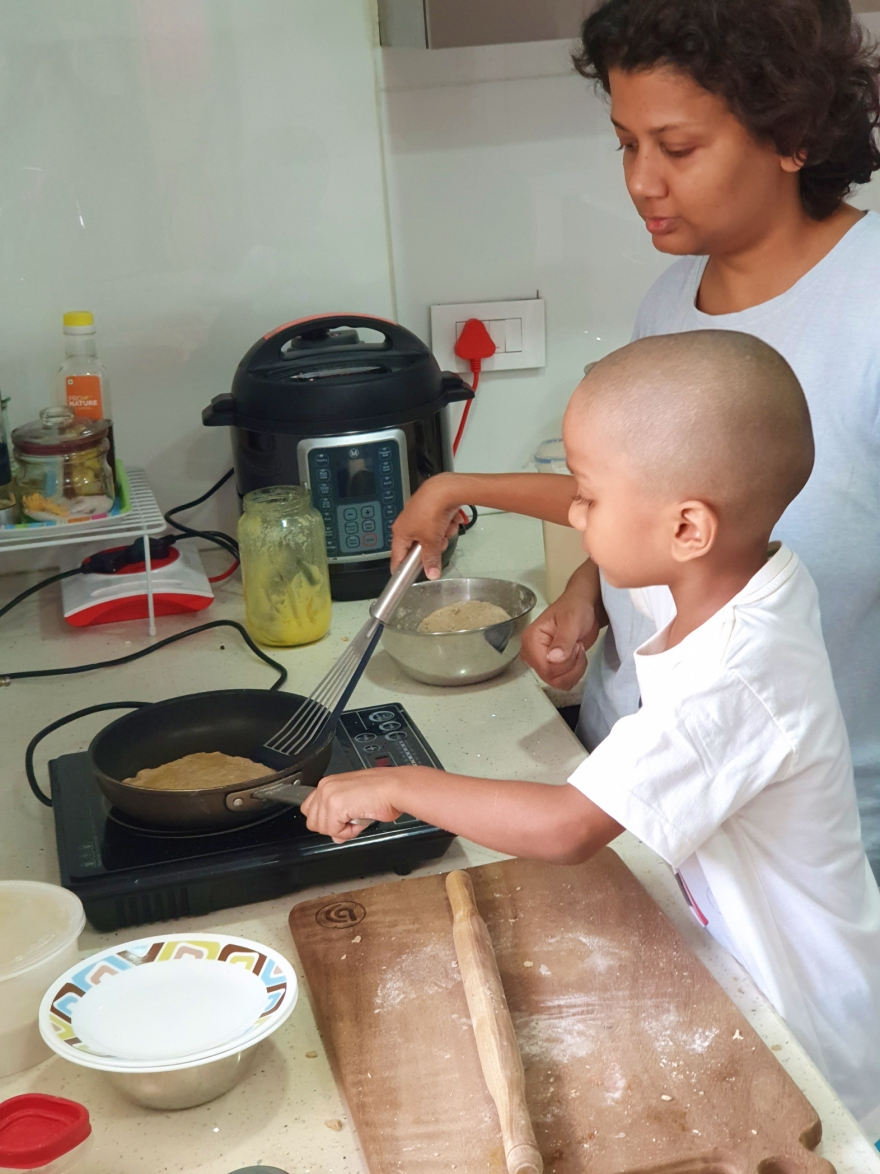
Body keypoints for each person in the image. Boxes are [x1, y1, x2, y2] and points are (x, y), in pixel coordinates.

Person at [303, 331, 880, 1133]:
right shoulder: (720, 573)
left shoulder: (735, 676)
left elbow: (568, 826)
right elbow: (629, 514)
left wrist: (397, 783)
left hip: (807, 1033)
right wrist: (458, 487)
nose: (573, 513)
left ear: (685, 528)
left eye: (586, 499)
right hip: (747, 968)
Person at [388, 0, 880, 881]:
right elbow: (666, 507)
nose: (641, 181)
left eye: (677, 148)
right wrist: (591, 590)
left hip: (789, 847)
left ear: (793, 133)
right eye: (626, 143)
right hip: (623, 784)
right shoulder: (670, 301)